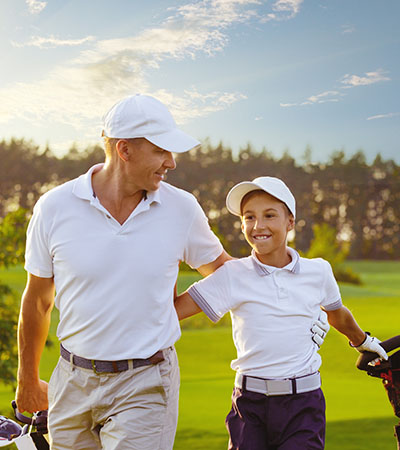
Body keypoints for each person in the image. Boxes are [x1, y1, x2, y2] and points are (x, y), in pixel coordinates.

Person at [16, 94, 231, 450]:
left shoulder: (181, 208)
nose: (172, 163)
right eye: (162, 151)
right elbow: (37, 301)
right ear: (125, 150)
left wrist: (175, 310)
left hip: (146, 381)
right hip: (71, 381)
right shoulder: (54, 207)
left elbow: (225, 272)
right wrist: (26, 379)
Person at [174, 176, 388, 450]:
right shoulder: (232, 275)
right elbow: (174, 311)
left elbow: (337, 314)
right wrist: (167, 259)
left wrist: (365, 342)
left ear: (290, 221)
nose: (258, 226)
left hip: (303, 404)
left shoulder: (318, 270)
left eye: (269, 215)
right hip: (249, 405)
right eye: (249, 217)